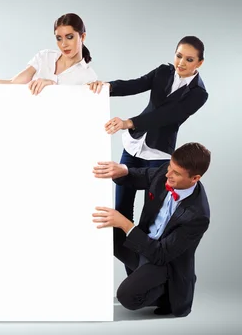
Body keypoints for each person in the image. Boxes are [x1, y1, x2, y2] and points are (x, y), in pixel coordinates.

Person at [88, 36, 208, 223]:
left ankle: (142, 252)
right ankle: (120, 250)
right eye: (179, 56)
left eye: (189, 59)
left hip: (158, 155)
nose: (181, 63)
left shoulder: (199, 94)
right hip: (134, 145)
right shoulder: (163, 71)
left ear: (199, 63)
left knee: (151, 213)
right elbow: (136, 84)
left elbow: (167, 115)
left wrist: (128, 122)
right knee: (121, 206)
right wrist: (107, 87)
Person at [92, 142, 211, 317]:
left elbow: (161, 254)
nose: (167, 175)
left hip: (164, 263)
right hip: (144, 245)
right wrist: (123, 170)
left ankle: (164, 294)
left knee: (126, 297)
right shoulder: (168, 171)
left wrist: (125, 224)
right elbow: (146, 175)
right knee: (104, 229)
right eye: (169, 167)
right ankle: (142, 275)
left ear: (195, 178)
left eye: (176, 173)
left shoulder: (198, 216)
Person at [0, 13, 97, 95]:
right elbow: (12, 84)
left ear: (82, 37)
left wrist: (51, 86)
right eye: (59, 38)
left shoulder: (88, 76)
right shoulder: (44, 57)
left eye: (69, 37)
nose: (63, 44)